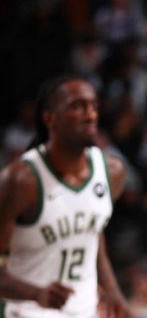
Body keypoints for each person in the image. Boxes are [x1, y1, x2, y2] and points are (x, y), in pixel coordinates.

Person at [0, 74, 129, 317]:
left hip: (84, 310)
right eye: (77, 107)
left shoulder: (112, 173)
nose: (91, 115)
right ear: (50, 119)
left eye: (94, 107)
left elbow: (92, 230)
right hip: (26, 311)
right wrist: (36, 294)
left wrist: (113, 291)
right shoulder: (21, 181)